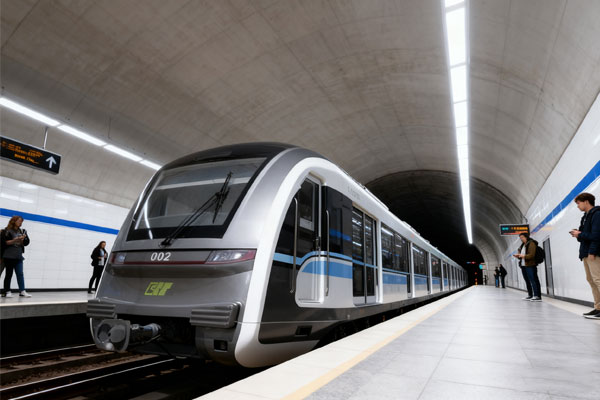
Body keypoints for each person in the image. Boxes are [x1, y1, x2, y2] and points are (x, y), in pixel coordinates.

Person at [569, 192, 600, 320]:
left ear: (586, 201)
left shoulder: (597, 214)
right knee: (591, 281)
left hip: (593, 253)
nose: (578, 206)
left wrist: (592, 251)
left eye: (578, 203)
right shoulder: (585, 217)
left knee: (598, 280)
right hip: (586, 253)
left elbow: (597, 236)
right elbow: (584, 236)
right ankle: (598, 307)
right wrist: (578, 234)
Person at [1, 216, 31, 298]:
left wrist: (23, 240)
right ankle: (7, 291)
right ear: (14, 221)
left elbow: (26, 243)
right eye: (19, 221)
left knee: (20, 273)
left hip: (18, 255)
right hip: (9, 255)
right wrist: (16, 239)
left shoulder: (22, 231)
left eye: (21, 221)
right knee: (9, 274)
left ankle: (22, 291)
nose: (20, 223)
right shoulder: (6, 231)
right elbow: (5, 243)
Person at [513, 232, 541, 301]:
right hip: (523, 265)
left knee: (533, 280)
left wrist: (523, 256)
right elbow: (522, 255)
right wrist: (518, 256)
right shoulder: (523, 245)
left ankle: (537, 296)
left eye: (522, 237)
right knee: (527, 280)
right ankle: (530, 295)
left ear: (526, 237)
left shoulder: (531, 243)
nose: (521, 239)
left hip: (530, 265)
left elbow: (531, 255)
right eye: (520, 238)